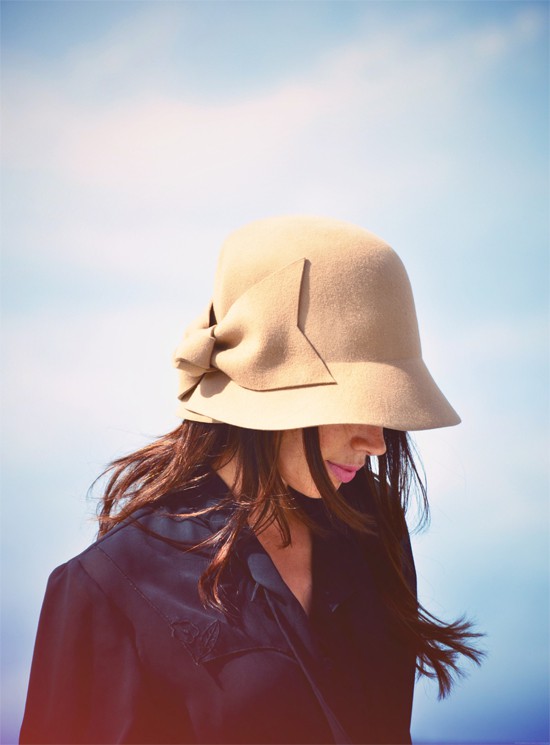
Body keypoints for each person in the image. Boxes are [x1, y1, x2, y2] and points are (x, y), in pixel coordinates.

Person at [20, 216, 483, 745]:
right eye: (354, 401)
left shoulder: (371, 525)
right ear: (271, 389)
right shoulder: (106, 589)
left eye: (386, 407)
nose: (377, 442)